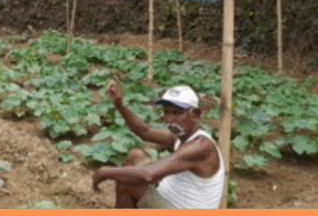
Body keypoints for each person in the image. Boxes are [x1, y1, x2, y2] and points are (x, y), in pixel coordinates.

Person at [92, 83, 224, 209]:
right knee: (135, 156)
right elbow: (145, 132)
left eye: (177, 113)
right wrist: (119, 103)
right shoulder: (183, 136)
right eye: (167, 112)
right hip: (169, 197)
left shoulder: (200, 146)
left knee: (127, 184)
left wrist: (105, 172)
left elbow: (149, 175)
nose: (170, 119)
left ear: (195, 114)